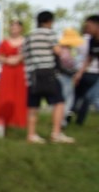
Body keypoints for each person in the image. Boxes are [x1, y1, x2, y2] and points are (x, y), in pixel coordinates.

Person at [21, 11, 73, 144]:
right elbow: (57, 51)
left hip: (32, 75)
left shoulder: (29, 36)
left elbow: (23, 55)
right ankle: (56, 133)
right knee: (59, 102)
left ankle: (31, 135)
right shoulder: (49, 33)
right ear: (49, 21)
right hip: (48, 73)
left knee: (33, 106)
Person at [0, 19, 27, 128]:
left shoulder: (25, 41)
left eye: (16, 27)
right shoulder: (4, 42)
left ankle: (19, 119)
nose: (14, 29)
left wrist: (19, 58)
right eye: (12, 26)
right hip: (7, 71)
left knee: (20, 93)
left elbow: (29, 53)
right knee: (6, 93)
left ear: (21, 28)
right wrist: (7, 60)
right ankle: (5, 119)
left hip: (20, 70)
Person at [71, 15, 99, 125]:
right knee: (87, 97)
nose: (87, 28)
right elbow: (89, 58)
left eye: (89, 26)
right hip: (91, 72)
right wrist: (79, 73)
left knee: (93, 97)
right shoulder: (92, 40)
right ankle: (76, 120)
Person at [55, 28, 83, 127]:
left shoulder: (64, 49)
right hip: (64, 77)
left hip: (65, 77)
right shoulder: (64, 51)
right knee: (66, 99)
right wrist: (73, 72)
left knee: (67, 98)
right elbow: (63, 66)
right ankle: (62, 120)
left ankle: (62, 119)